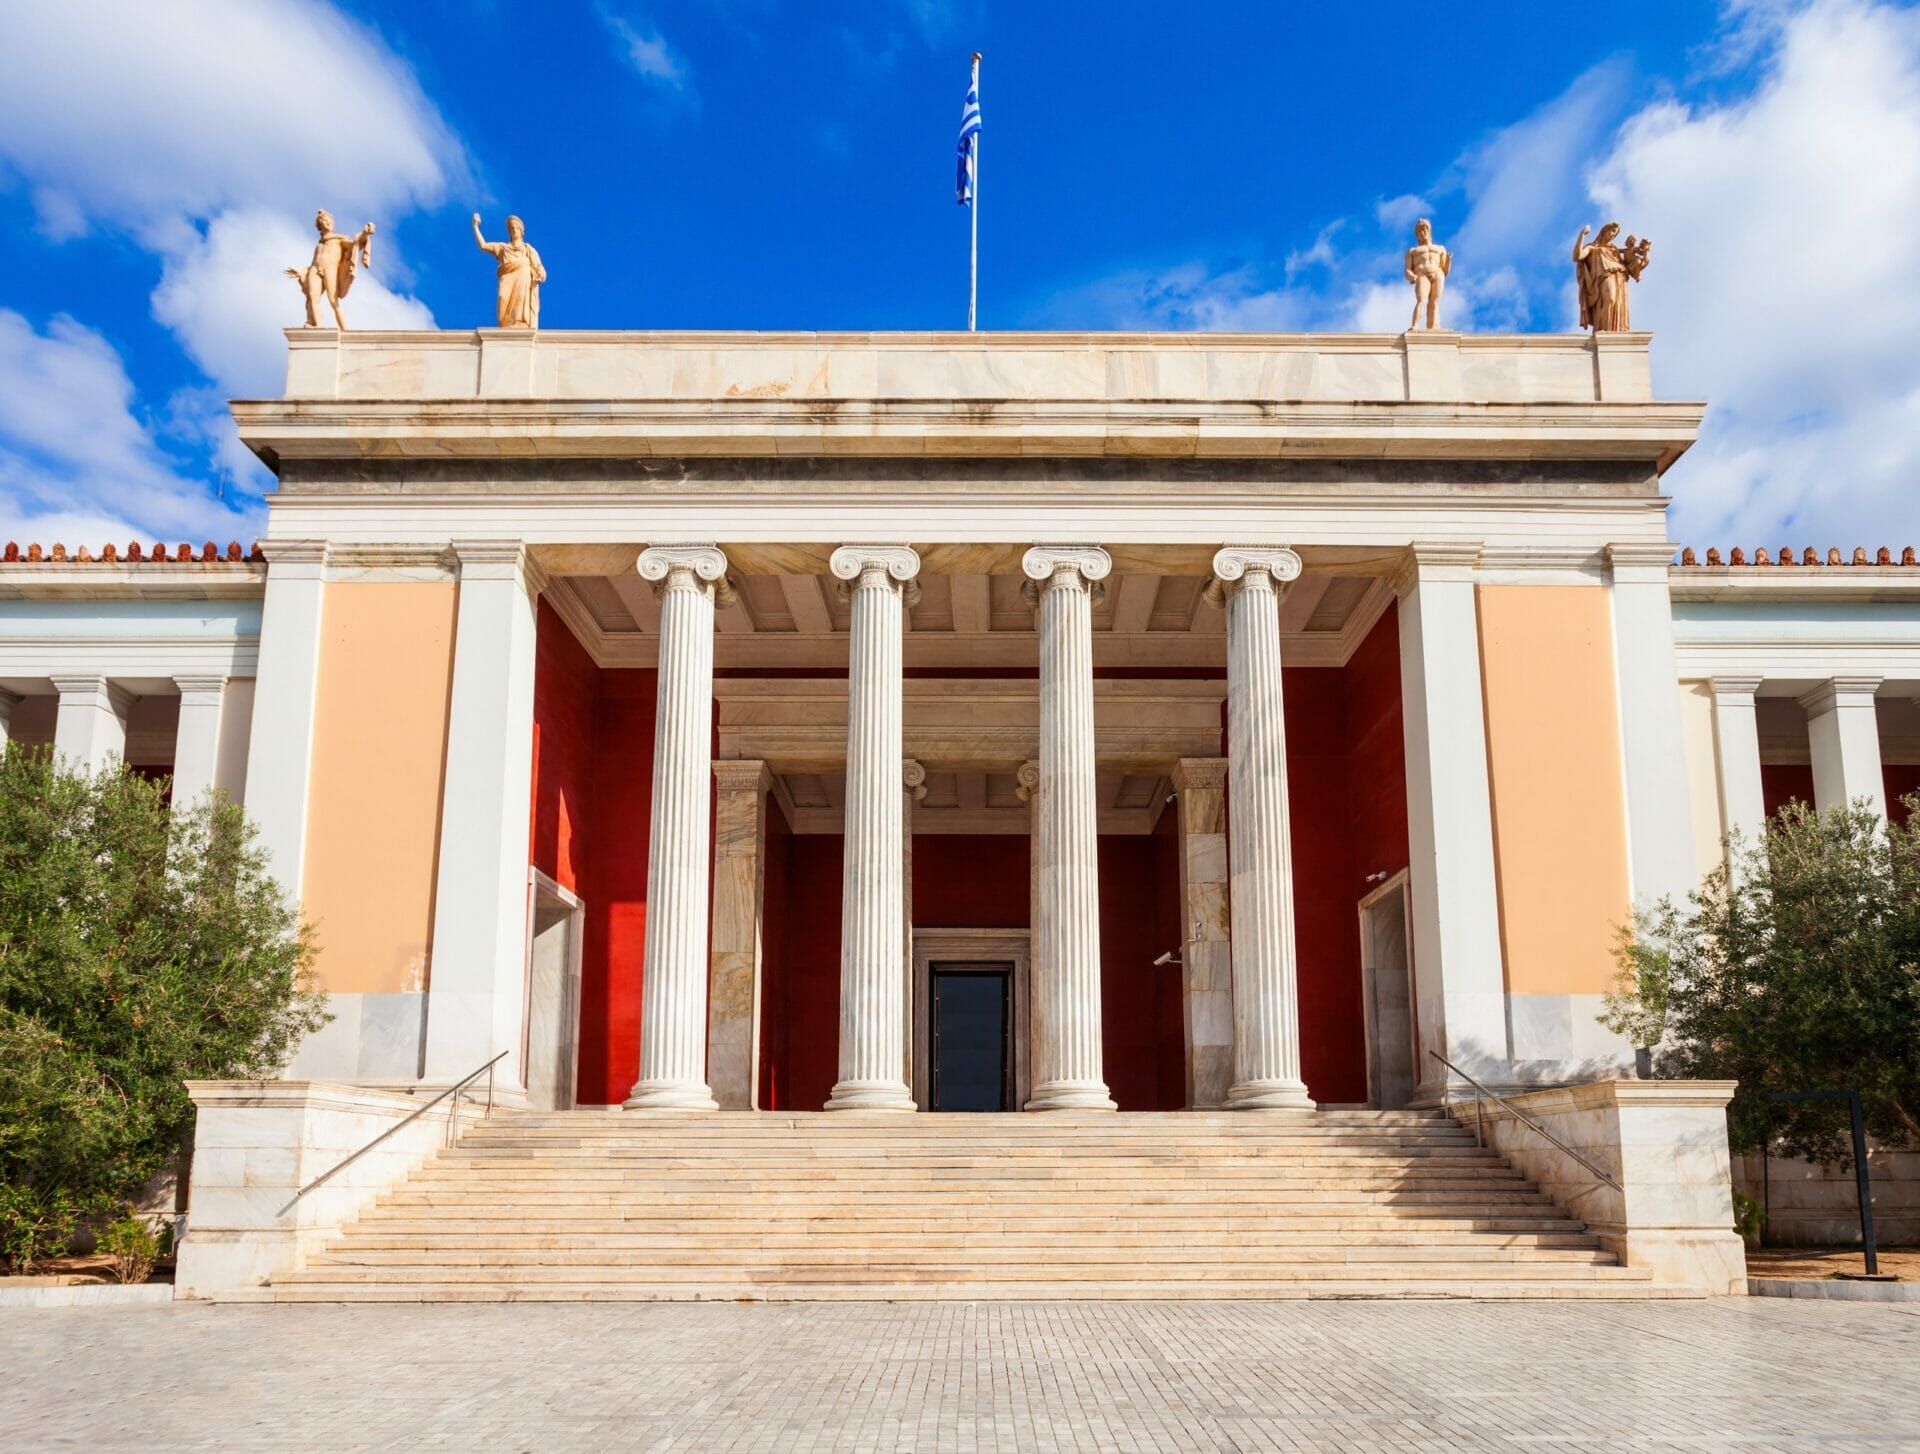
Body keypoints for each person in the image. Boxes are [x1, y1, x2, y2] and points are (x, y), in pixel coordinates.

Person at [286, 210, 375, 329]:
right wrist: (301, 271)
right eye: (325, 220)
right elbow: (314, 261)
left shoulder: (339, 239)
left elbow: (355, 244)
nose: (329, 223)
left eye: (330, 221)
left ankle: (345, 330)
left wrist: (364, 233)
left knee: (333, 302)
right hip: (314, 269)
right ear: (319, 223)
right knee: (312, 296)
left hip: (330, 270)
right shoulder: (319, 245)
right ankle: (317, 325)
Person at [473, 213, 547, 329]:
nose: (513, 230)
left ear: (521, 231)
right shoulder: (503, 248)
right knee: (503, 297)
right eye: (511, 228)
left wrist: (540, 273)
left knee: (521, 298)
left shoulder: (528, 249)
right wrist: (475, 227)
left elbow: (539, 266)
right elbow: (483, 245)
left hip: (523, 274)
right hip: (507, 276)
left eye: (515, 228)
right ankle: (505, 325)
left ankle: (520, 322)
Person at [1573, 222, 1651, 331]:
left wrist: (1644, 253)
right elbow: (1577, 256)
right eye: (1613, 231)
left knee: (1617, 305)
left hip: (1620, 277)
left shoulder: (1615, 249)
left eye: (1616, 233)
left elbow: (1631, 263)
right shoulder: (1592, 248)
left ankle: (1612, 332)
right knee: (1610, 299)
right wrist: (1582, 234)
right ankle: (1601, 329)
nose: (1614, 235)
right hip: (1604, 276)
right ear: (1605, 230)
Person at [1404, 219, 1452, 331]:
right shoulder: (1413, 251)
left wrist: (1449, 261)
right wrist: (1412, 276)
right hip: (1422, 275)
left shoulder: (1440, 249)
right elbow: (1407, 270)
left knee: (1435, 301)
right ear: (1417, 235)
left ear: (1429, 231)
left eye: (1424, 230)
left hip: (1438, 274)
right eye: (1419, 231)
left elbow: (1445, 270)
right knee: (1422, 300)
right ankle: (1415, 325)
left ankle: (1433, 327)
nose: (1422, 233)